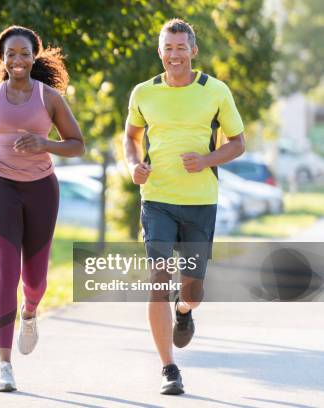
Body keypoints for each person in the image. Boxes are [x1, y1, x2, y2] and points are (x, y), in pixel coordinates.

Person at [0, 25, 84, 392]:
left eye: (24, 53)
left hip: (42, 190)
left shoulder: (50, 98)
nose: (18, 60)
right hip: (1, 188)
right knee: (6, 271)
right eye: (10, 54)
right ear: (2, 58)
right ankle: (4, 364)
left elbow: (77, 144)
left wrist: (44, 143)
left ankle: (30, 311)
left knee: (36, 280)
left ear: (34, 55)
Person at [123, 18, 245, 395]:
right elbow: (131, 136)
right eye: (168, 48)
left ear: (193, 51)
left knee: (193, 290)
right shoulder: (144, 92)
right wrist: (133, 166)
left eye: (181, 48)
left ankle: (184, 311)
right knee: (157, 281)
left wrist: (207, 160)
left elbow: (237, 142)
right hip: (157, 199)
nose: (174, 55)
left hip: (200, 202)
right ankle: (168, 368)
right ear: (160, 52)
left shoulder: (216, 90)